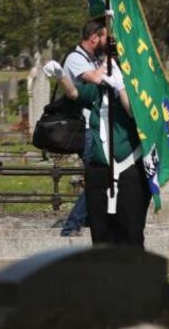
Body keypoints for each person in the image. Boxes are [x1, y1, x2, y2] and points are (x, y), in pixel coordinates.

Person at [44, 58, 149, 246]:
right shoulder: (99, 91)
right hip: (99, 169)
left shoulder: (137, 88)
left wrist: (121, 86)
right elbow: (75, 93)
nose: (102, 69)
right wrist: (61, 77)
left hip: (129, 168)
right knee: (101, 233)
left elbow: (134, 112)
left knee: (130, 232)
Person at [59, 18, 108, 237]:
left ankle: (88, 221)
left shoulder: (94, 58)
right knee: (99, 178)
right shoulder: (75, 58)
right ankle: (72, 226)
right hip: (86, 128)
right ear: (94, 38)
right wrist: (111, 58)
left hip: (98, 126)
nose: (107, 41)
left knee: (100, 177)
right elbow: (97, 79)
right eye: (104, 36)